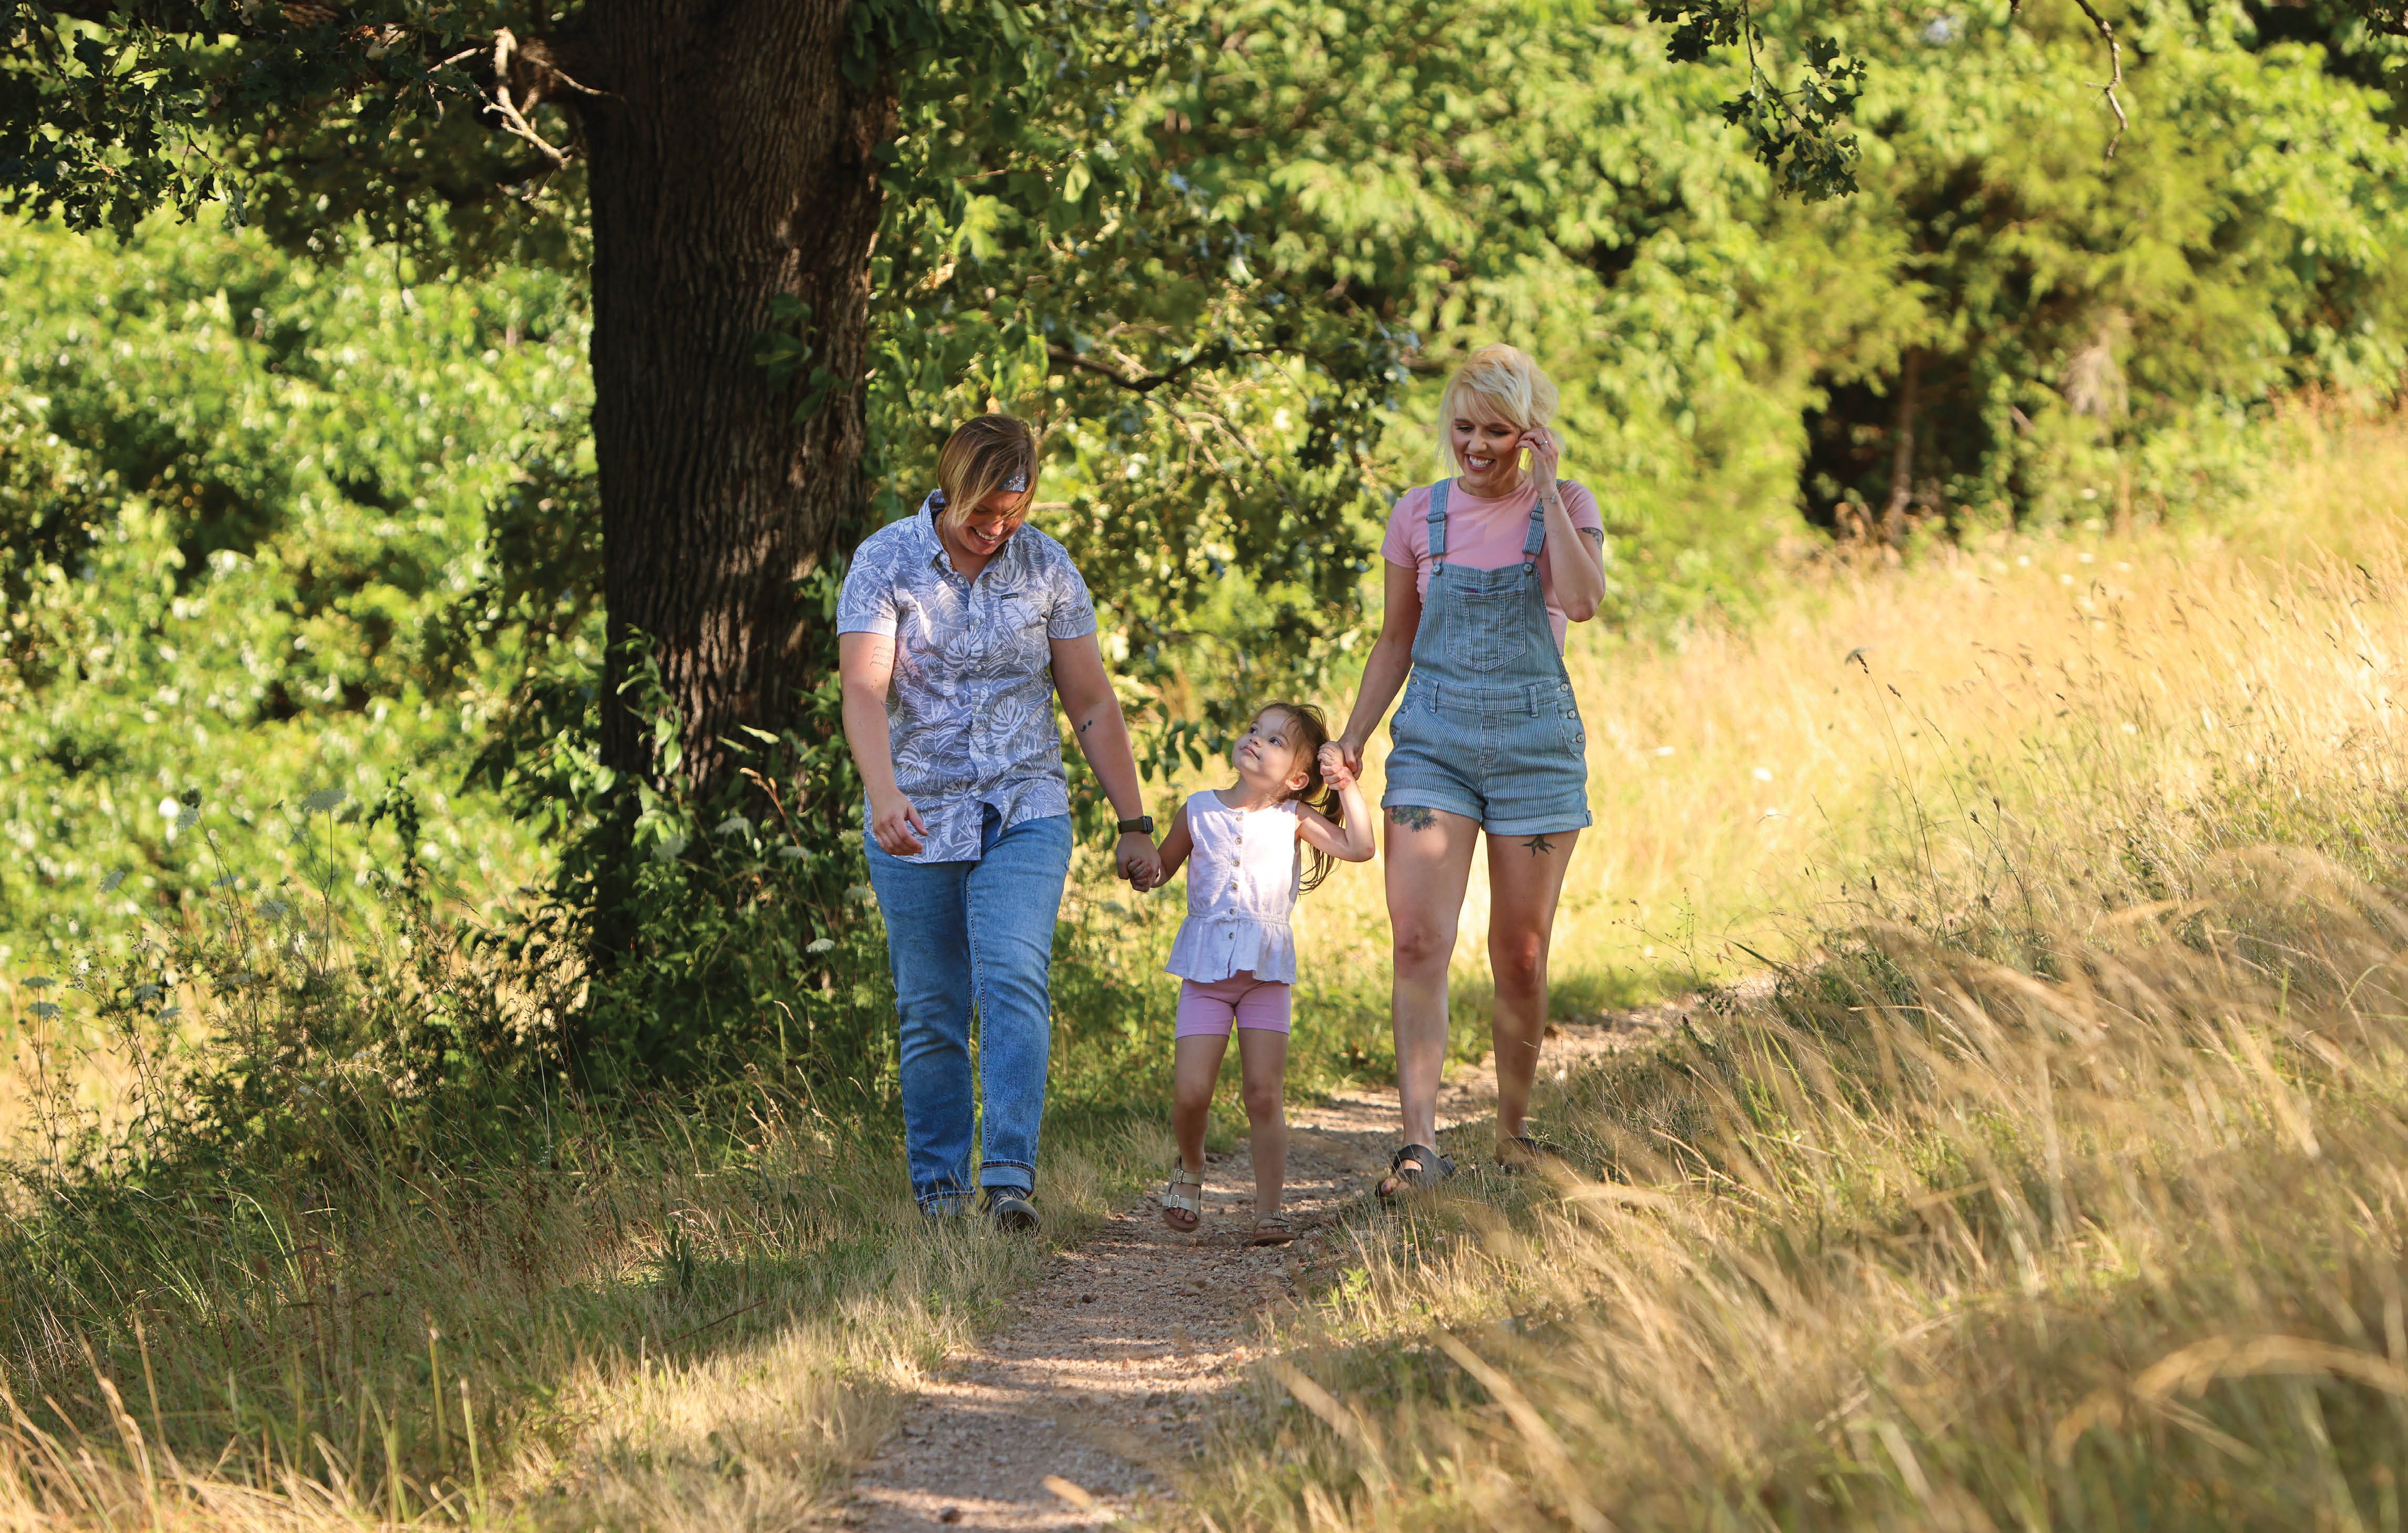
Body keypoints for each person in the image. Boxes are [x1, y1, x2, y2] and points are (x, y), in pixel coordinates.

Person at [836, 414, 1162, 1230]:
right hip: (913, 814)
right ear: (951, 489)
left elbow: (1089, 701)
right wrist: (881, 793)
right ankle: (940, 1198)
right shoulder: (885, 561)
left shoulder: (1046, 565)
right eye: (981, 514)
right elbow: (864, 692)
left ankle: (1008, 1180)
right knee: (930, 1006)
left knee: (1012, 976)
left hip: (1024, 807)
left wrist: (1133, 819)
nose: (994, 531)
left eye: (1009, 515)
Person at [1320, 345, 1608, 1197]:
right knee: (1417, 938)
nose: (1476, 446)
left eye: (1495, 430)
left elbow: (1584, 600)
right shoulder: (1419, 514)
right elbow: (1395, 639)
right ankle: (1417, 1144)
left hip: (1535, 752)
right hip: (1433, 747)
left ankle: (1513, 1134)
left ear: (1526, 430)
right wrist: (1353, 735)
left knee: (1518, 953)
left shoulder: (1567, 505)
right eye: (1462, 427)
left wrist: (1549, 487)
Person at [1148, 703, 1374, 1244]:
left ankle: (1269, 1209)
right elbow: (1158, 870)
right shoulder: (1197, 810)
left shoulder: (1291, 817)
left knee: (1263, 1093)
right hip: (1204, 975)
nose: (1256, 739)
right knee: (1190, 1091)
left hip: (1265, 978)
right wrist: (1136, 860)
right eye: (1254, 729)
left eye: (1275, 740)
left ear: (1297, 777)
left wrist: (1344, 784)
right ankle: (1192, 1164)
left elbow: (1361, 847)